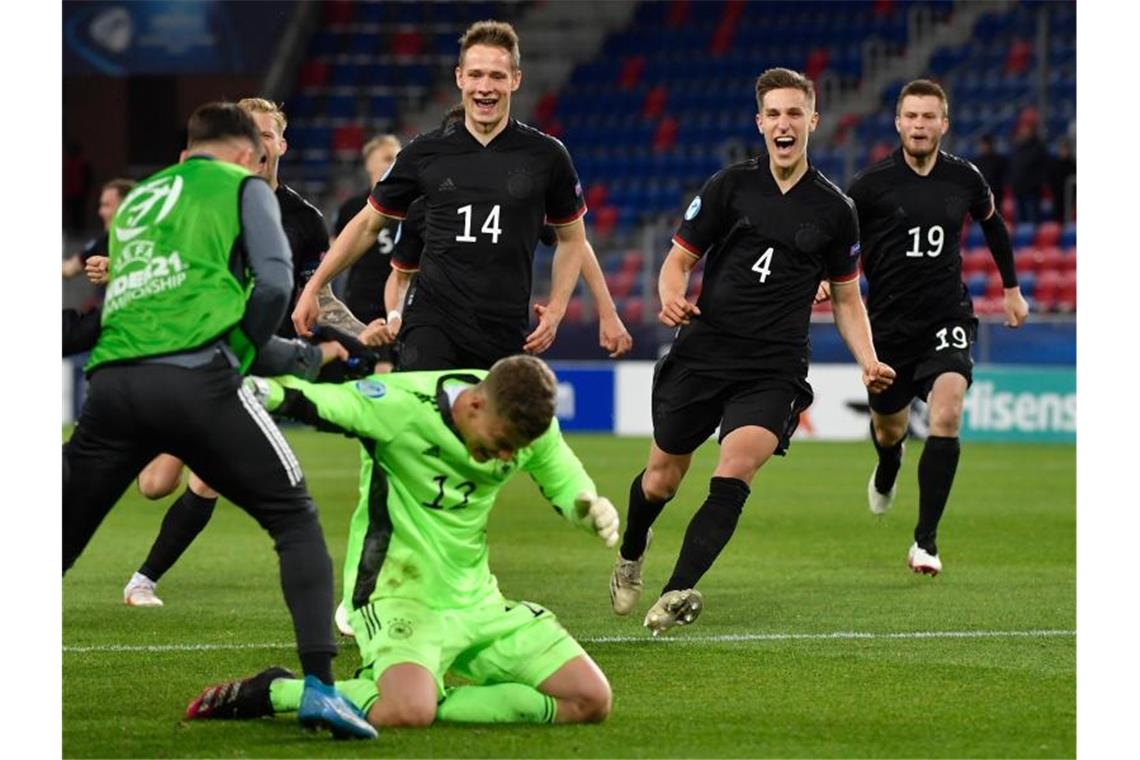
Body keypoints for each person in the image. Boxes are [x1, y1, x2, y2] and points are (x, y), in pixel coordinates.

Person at [62, 101, 375, 739]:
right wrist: (268, 355)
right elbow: (270, 289)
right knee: (294, 517)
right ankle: (320, 686)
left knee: (55, 536)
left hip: (113, 384)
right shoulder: (244, 187)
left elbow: (176, 304)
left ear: (187, 151)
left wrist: (305, 358)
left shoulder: (143, 200)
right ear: (242, 153)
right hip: (198, 381)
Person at [607, 68, 895, 636]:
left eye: (795, 113)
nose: (784, 124)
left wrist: (867, 358)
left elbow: (846, 300)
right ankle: (632, 547)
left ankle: (674, 592)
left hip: (773, 367)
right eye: (775, 114)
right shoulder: (729, 186)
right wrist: (669, 296)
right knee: (661, 480)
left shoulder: (836, 210)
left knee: (737, 466)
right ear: (760, 122)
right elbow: (678, 261)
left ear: (812, 120)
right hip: (705, 352)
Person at [185, 355, 619, 729]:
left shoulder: (526, 423)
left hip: (479, 602)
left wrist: (586, 507)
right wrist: (255, 390)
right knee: (406, 712)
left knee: (590, 700)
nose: (508, 458)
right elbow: (322, 400)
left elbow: (565, 480)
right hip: (398, 596)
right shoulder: (401, 406)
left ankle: (425, 695)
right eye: (503, 444)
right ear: (474, 403)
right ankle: (277, 691)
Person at [115, 97, 363, 608]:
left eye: (269, 134)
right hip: (192, 352)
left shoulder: (305, 221)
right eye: (252, 134)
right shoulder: (208, 206)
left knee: (209, 477)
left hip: (248, 362)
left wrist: (362, 334)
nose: (262, 144)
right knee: (155, 484)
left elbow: (321, 297)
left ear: (281, 144)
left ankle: (143, 581)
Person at [293, 20, 628, 367]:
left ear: (515, 79)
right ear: (460, 78)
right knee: (426, 415)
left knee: (493, 422)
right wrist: (315, 287)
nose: (485, 87)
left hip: (504, 329)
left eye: (497, 76)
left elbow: (573, 239)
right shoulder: (424, 153)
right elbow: (367, 224)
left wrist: (557, 311)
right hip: (431, 322)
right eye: (476, 74)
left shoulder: (547, 156)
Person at [846, 79, 1029, 575]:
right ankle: (889, 466)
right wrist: (825, 276)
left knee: (947, 414)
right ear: (898, 122)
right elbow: (836, 233)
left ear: (944, 124)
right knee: (891, 429)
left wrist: (1011, 288)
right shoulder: (871, 184)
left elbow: (992, 223)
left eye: (930, 117)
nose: (920, 125)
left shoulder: (965, 179)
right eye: (912, 116)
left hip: (947, 316)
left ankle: (925, 542)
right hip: (887, 327)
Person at [334, 134, 402, 373]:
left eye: (398, 157)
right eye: (387, 157)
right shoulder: (352, 207)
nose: (394, 163)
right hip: (362, 301)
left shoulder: (412, 205)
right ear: (368, 163)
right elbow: (334, 255)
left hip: (400, 300)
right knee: (371, 364)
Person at [62, 178, 136, 282]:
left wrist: (113, 270)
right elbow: (69, 269)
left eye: (106, 205)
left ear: (126, 207)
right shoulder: (104, 241)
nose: (100, 212)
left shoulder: (153, 236)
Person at [1010, 119, 1048, 224]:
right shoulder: (1017, 147)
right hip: (1019, 189)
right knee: (1021, 223)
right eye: (1022, 129)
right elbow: (1014, 167)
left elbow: (1036, 166)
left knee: (1033, 221)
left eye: (1026, 129)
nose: (1023, 131)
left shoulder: (1038, 146)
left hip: (1032, 191)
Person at [972, 134, 1008, 213]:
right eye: (982, 144)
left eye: (985, 144)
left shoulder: (1000, 160)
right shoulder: (976, 161)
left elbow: (1004, 178)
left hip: (996, 194)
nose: (983, 147)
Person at [1048, 139, 1075, 223]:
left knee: (1068, 219)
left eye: (1065, 149)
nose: (1063, 151)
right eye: (1061, 149)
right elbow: (1051, 179)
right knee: (1057, 219)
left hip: (1069, 198)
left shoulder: (1072, 164)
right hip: (1057, 197)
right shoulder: (1054, 164)